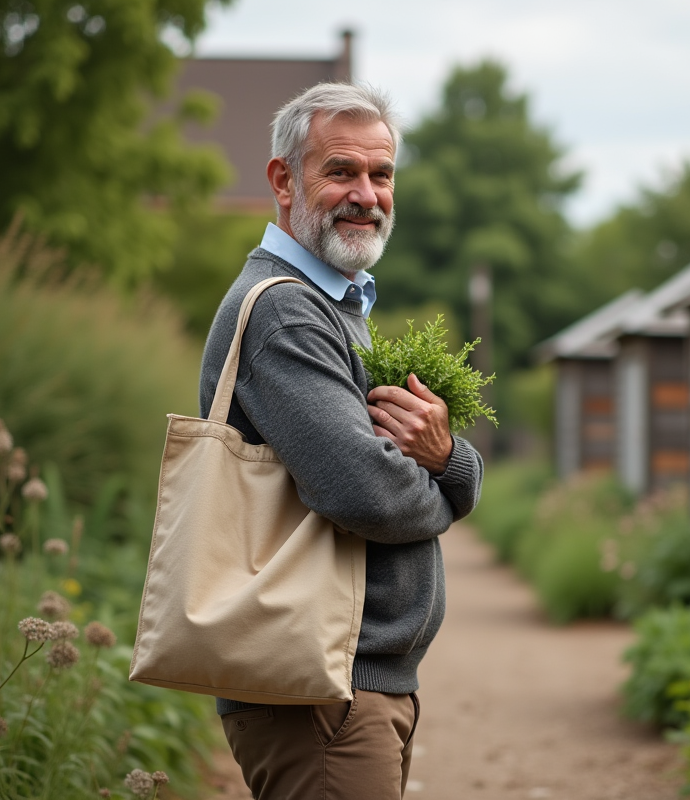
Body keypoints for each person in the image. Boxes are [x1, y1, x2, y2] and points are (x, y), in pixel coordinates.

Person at [198, 82, 484, 799]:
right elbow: (370, 492)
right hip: (318, 690)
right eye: (341, 171)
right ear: (283, 179)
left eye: (381, 174)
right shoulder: (288, 312)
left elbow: (404, 463)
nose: (366, 193)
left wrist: (447, 456)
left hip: (342, 688)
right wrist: (450, 482)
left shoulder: (335, 303)